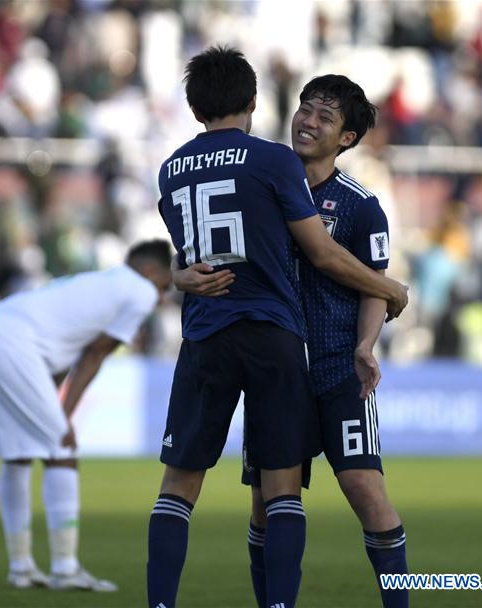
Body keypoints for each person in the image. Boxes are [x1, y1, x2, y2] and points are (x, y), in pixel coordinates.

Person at [148, 46, 408, 608]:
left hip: (333, 366)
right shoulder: (268, 168)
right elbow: (224, 248)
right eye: (305, 108)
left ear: (347, 138)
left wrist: (366, 343)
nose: (308, 121)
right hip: (277, 352)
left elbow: (366, 282)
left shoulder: (360, 206)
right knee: (267, 502)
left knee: (365, 491)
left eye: (324, 116)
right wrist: (178, 274)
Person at [0, 240, 173, 592]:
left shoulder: (94, 282)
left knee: (18, 453)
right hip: (10, 347)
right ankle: (65, 568)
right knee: (62, 448)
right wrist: (64, 415)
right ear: (150, 272)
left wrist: (55, 410)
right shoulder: (139, 290)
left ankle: (21, 568)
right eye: (163, 286)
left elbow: (57, 361)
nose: (160, 298)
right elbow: (95, 355)